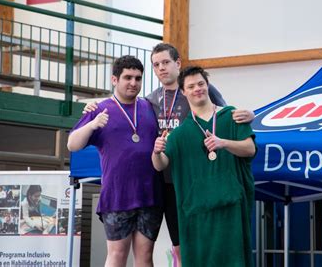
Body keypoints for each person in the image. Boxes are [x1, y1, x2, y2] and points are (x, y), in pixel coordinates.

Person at [83, 43, 254, 266]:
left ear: (178, 63)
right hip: (153, 181)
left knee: (182, 246)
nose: (162, 68)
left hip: (185, 181)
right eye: (156, 65)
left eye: (166, 62)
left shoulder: (198, 87)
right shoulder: (148, 101)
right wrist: (92, 106)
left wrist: (251, 114)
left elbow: (225, 114)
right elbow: (121, 107)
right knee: (141, 251)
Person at [152, 66, 256, 267]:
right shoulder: (180, 133)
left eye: (200, 84)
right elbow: (160, 165)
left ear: (207, 85)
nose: (197, 89)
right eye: (191, 86)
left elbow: (250, 149)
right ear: (183, 92)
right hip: (198, 213)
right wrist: (156, 152)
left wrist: (223, 143)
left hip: (230, 207)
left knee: (233, 260)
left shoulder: (232, 116)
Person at [68, 55, 163, 267]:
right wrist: (92, 125)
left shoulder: (149, 107)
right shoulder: (99, 109)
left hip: (150, 194)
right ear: (114, 80)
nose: (133, 83)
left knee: (145, 256)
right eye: (127, 77)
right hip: (117, 195)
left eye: (138, 78)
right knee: (117, 255)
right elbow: (72, 144)